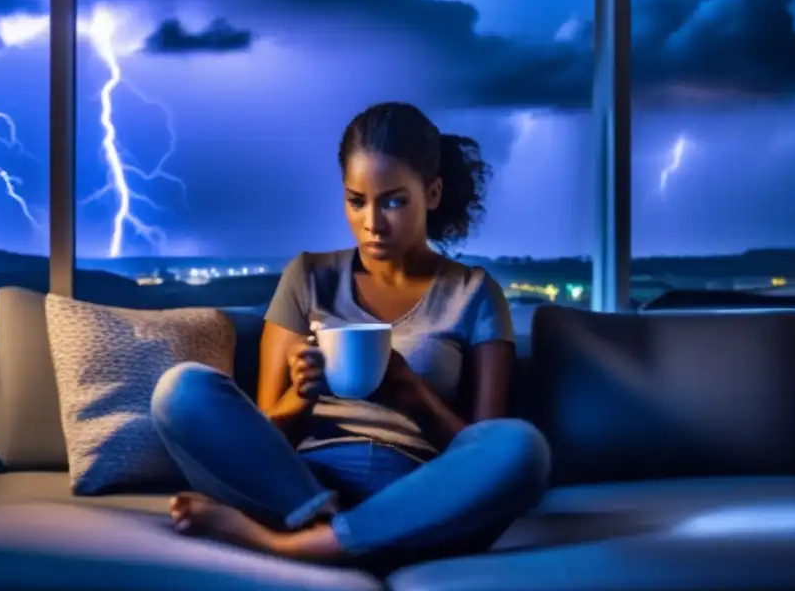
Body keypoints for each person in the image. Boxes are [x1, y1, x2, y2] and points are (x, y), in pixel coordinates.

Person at [151, 101, 551, 566]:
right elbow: (261, 440)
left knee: (522, 446)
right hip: (301, 483)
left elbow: (481, 443)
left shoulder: (474, 293)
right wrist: (302, 396)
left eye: (394, 201)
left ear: (433, 193)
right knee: (180, 390)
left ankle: (286, 544)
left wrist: (410, 394)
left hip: (419, 493)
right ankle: (333, 530)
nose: (372, 223)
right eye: (356, 200)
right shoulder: (307, 277)